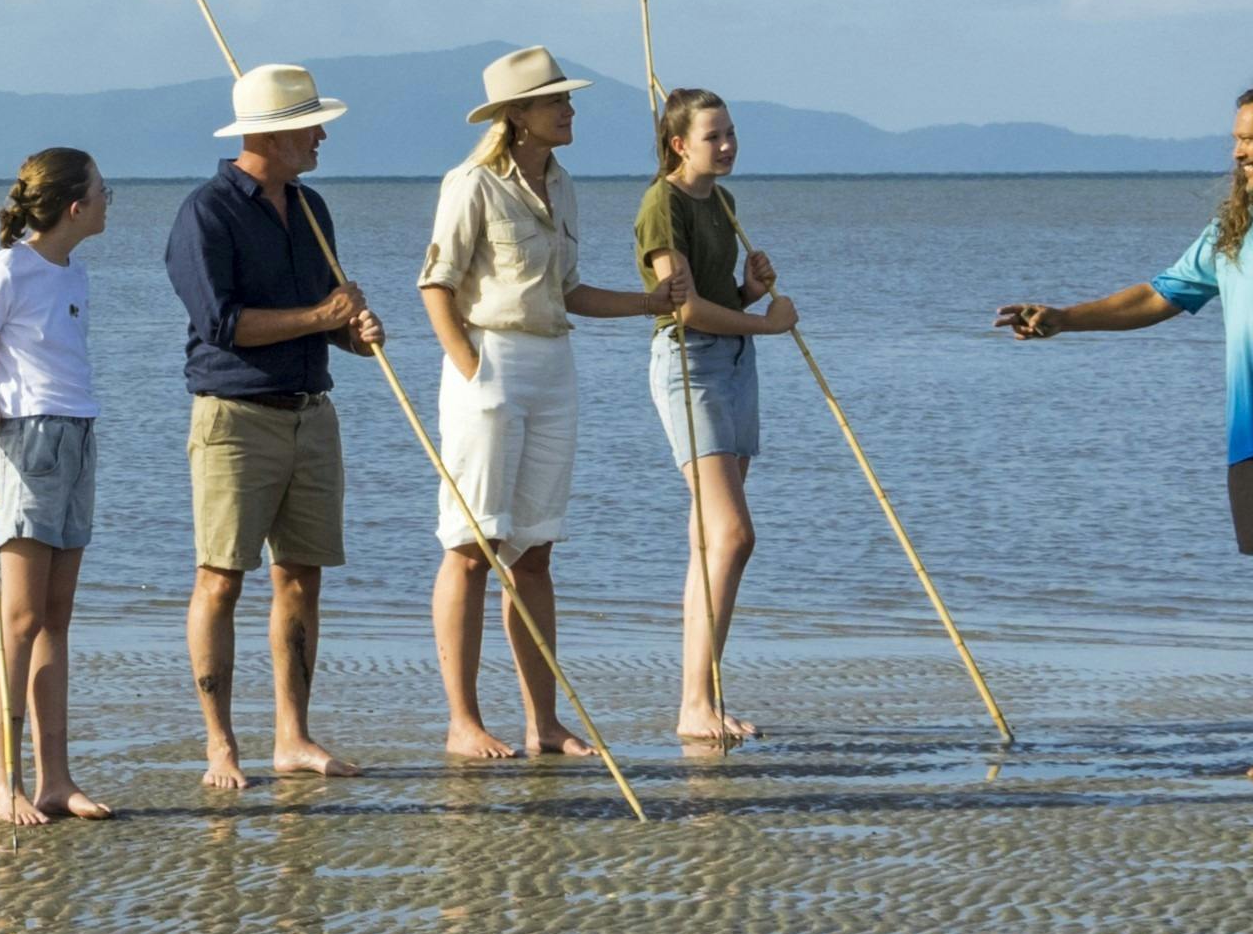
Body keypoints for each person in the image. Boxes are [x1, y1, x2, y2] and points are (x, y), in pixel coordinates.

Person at [998, 79, 1253, 786]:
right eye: (1236, 139)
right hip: (1252, 430)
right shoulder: (1235, 226)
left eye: (1250, 138)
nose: (1237, 150)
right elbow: (1158, 294)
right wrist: (1067, 316)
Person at [172, 63, 395, 790]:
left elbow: (323, 315)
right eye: (311, 125)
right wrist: (320, 317)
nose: (323, 136)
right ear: (272, 134)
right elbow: (222, 324)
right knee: (221, 579)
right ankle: (220, 746)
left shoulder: (311, 208)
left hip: (311, 411)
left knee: (301, 577)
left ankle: (293, 737)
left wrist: (353, 333)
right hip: (235, 419)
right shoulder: (206, 212)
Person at [418, 42, 604, 765]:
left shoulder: (564, 185)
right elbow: (435, 286)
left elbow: (570, 293)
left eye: (565, 97)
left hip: (553, 364)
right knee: (471, 548)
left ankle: (544, 724)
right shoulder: (472, 183)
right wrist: (472, 374)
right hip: (488, 360)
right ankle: (462, 721)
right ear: (517, 115)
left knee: (536, 548)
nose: (569, 108)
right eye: (556, 100)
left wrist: (652, 303)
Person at [0, 147, 119, 827]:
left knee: (56, 620)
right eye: (104, 191)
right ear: (75, 207)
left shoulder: (74, 272)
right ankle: (3, 784)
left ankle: (56, 780)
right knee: (17, 621)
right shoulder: (5, 269)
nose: (112, 201)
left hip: (78, 437)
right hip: (29, 448)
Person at [634, 83, 791, 749]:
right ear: (678, 144)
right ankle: (694, 702)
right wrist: (764, 322)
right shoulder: (660, 205)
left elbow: (717, 292)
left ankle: (702, 700)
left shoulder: (722, 202)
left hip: (735, 365)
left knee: (712, 543)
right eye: (712, 136)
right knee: (732, 537)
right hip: (690, 362)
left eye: (730, 133)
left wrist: (751, 290)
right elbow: (685, 308)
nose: (726, 146)